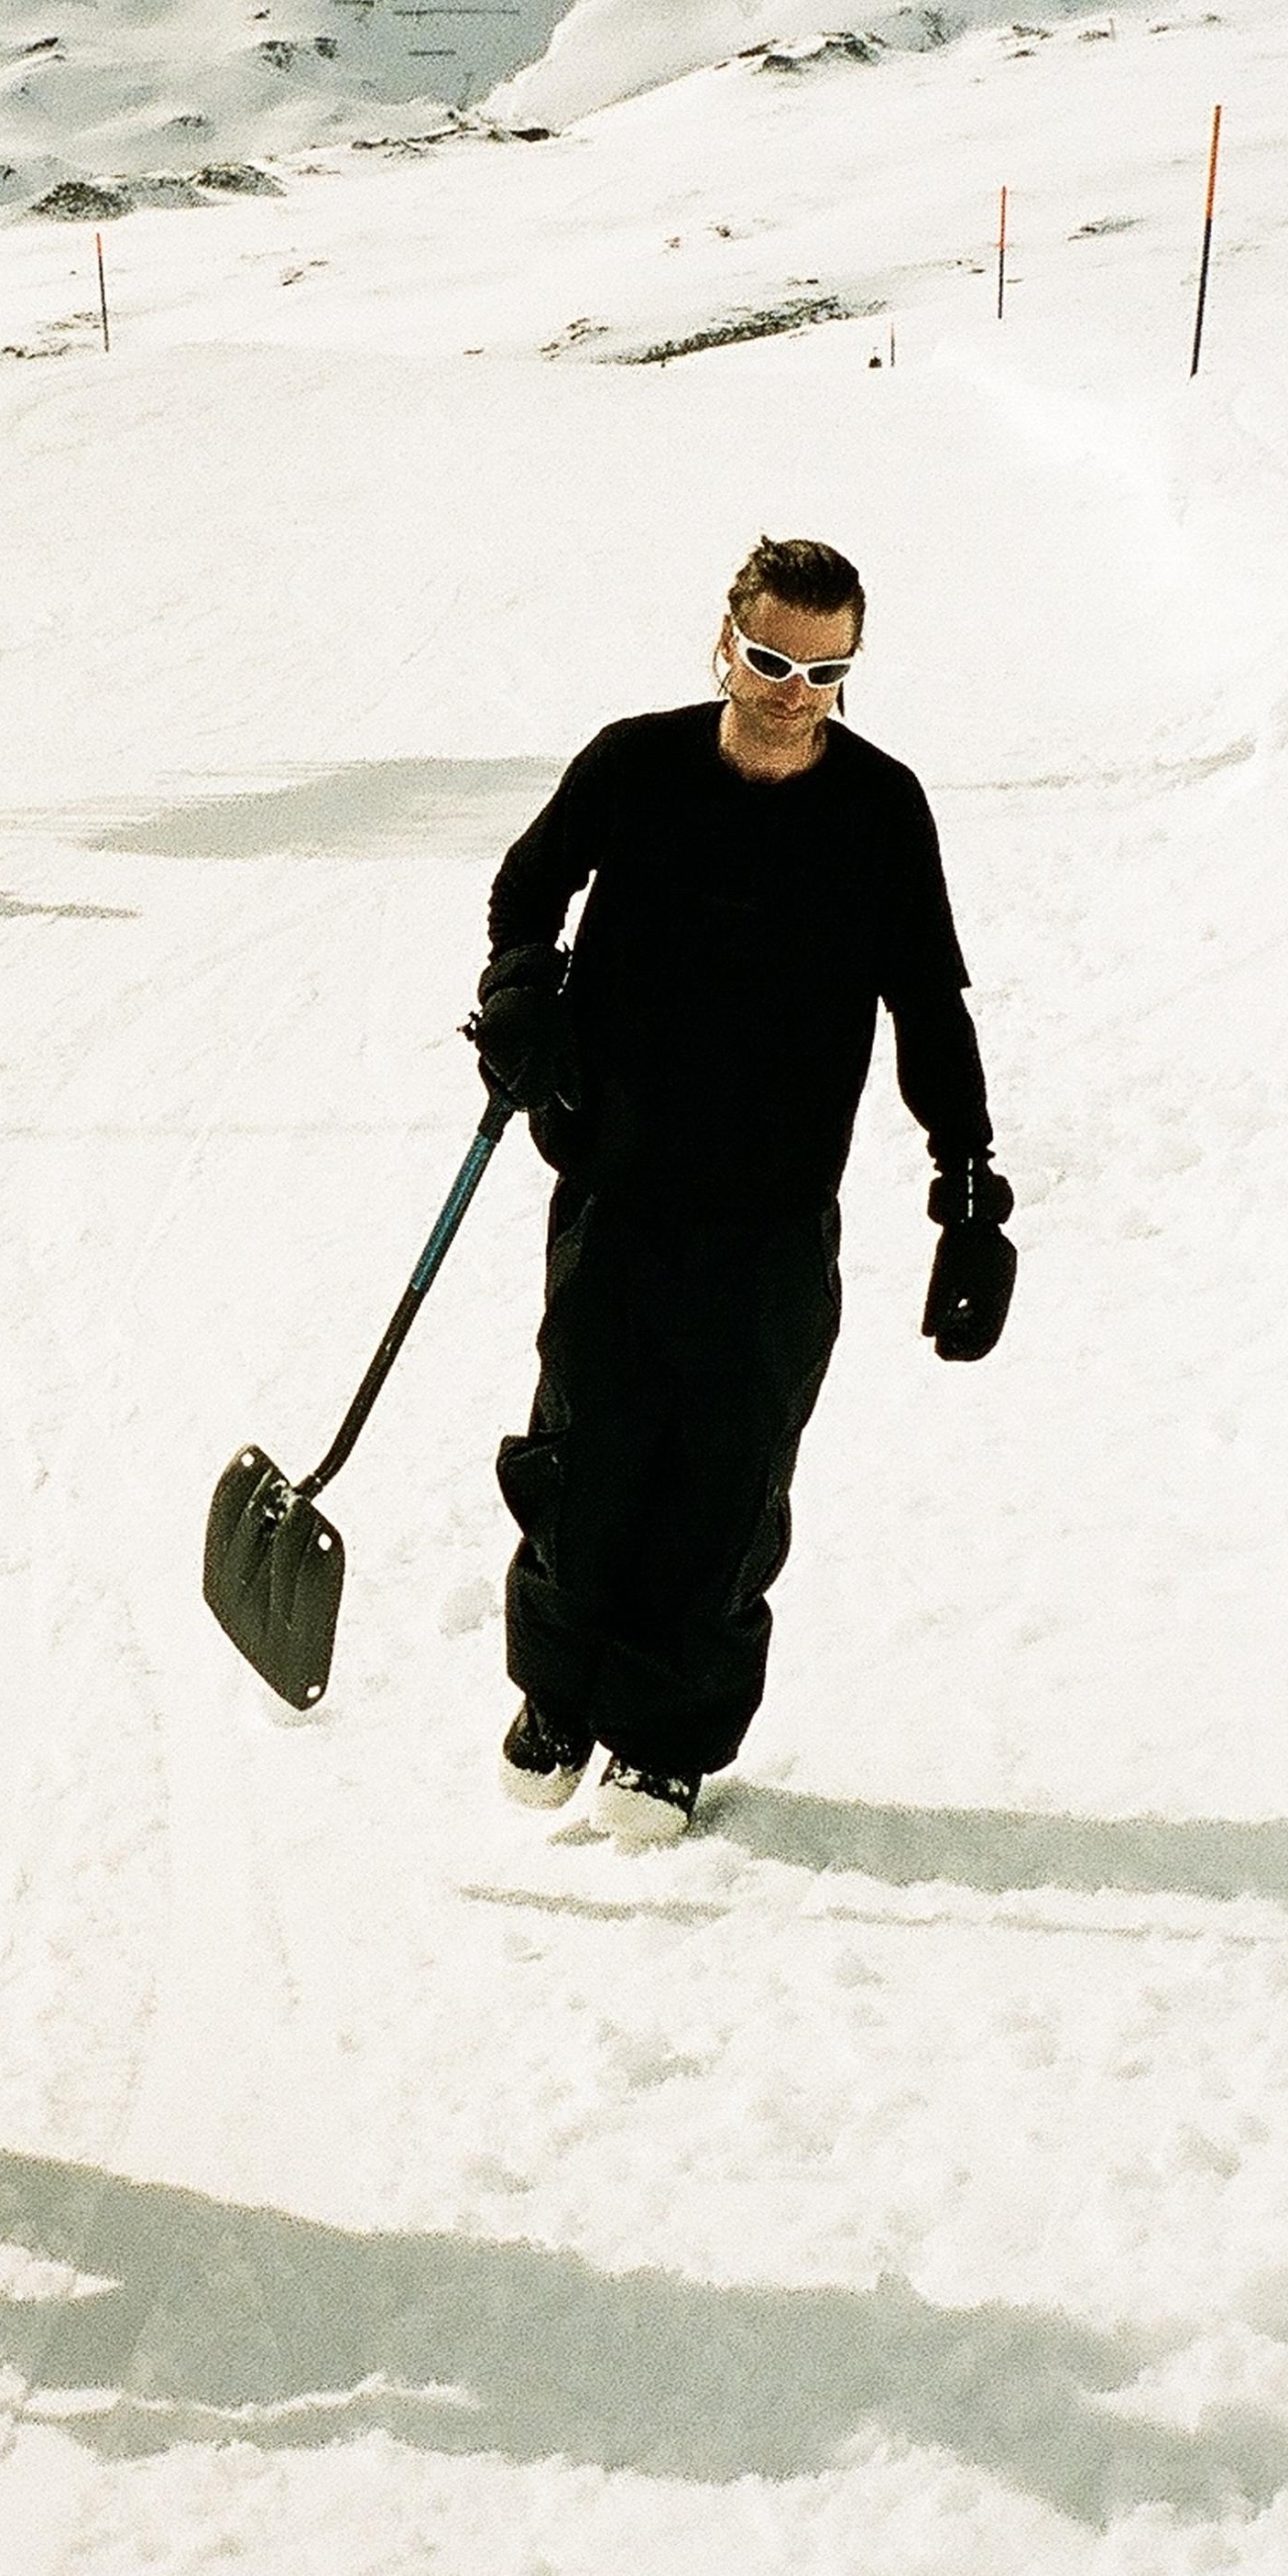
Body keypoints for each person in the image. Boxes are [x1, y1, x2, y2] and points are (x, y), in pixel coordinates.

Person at [472, 532, 1017, 1848]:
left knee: (724, 1479)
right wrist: (521, 993)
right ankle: (560, 1695)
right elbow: (527, 892)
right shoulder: (634, 765)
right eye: (772, 660)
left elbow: (928, 1004)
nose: (793, 693)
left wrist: (967, 1183)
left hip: (772, 1214)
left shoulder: (881, 809)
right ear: (726, 643)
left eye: (825, 671)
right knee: (586, 1451)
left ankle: (665, 1739)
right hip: (615, 1185)